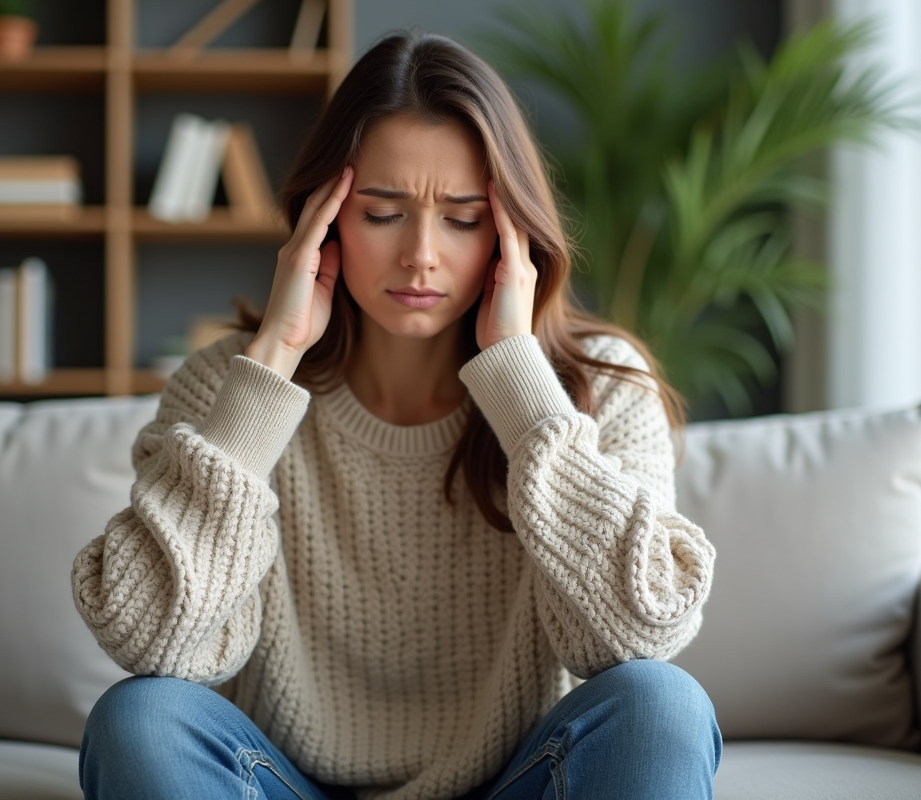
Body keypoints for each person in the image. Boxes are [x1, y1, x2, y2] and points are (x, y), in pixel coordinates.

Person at [72, 31, 720, 800]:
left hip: (513, 783)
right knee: (138, 720)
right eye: (382, 213)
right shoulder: (226, 386)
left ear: (512, 230)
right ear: (324, 219)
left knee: (662, 705)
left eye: (463, 217)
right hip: (285, 786)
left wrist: (519, 382)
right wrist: (273, 357)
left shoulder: (601, 385)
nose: (420, 254)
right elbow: (150, 640)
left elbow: (641, 633)